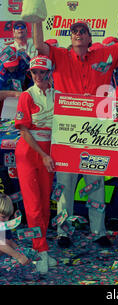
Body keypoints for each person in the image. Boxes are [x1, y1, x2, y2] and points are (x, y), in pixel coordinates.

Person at [32, 19, 118, 249]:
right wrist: (36, 19)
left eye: (83, 31)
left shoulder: (104, 56)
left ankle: (98, 232)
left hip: (95, 133)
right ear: (70, 38)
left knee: (96, 183)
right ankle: (63, 232)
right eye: (74, 31)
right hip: (66, 132)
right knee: (65, 185)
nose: (78, 34)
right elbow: (39, 44)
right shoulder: (59, 56)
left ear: (90, 38)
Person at [14, 56, 57, 274]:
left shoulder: (58, 95)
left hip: (49, 152)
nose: (38, 76)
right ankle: (40, 251)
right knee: (33, 206)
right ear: (30, 74)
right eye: (34, 73)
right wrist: (43, 155)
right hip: (30, 153)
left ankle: (43, 249)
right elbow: (23, 130)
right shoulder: (26, 95)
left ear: (50, 72)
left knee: (44, 201)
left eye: (42, 72)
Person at [0, 193, 30, 266]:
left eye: (8, 217)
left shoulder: (3, 224)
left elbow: (9, 241)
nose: (6, 220)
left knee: (7, 242)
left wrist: (21, 251)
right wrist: (18, 256)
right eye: (3, 217)